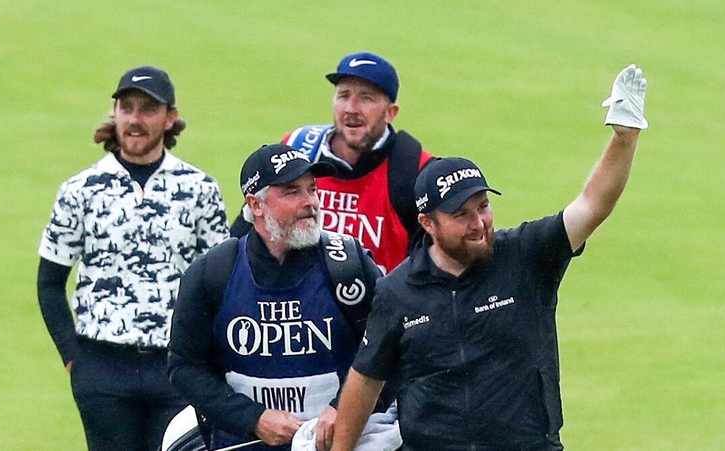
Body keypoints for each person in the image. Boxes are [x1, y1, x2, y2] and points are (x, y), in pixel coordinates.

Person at [331, 64, 650, 451]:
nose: (478, 223)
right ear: (427, 225)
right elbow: (366, 380)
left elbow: (592, 205)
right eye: (460, 214)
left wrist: (625, 137)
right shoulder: (398, 291)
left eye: (482, 206)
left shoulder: (526, 255)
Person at [36, 65, 230, 451]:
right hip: (103, 369)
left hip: (176, 369)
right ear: (116, 112)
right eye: (127, 108)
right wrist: (74, 358)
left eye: (147, 109)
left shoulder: (199, 189)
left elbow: (219, 283)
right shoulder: (81, 190)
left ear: (170, 117)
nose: (135, 119)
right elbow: (49, 281)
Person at [168, 143, 387, 451]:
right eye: (292, 192)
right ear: (256, 205)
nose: (310, 202)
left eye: (312, 189)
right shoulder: (213, 272)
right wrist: (253, 418)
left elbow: (391, 351)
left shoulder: (350, 266)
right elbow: (184, 368)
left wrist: (344, 409)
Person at [230, 52, 435, 274]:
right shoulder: (299, 148)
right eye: (344, 95)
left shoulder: (414, 169)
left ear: (390, 113)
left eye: (366, 98)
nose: (351, 109)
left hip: (378, 305)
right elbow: (244, 234)